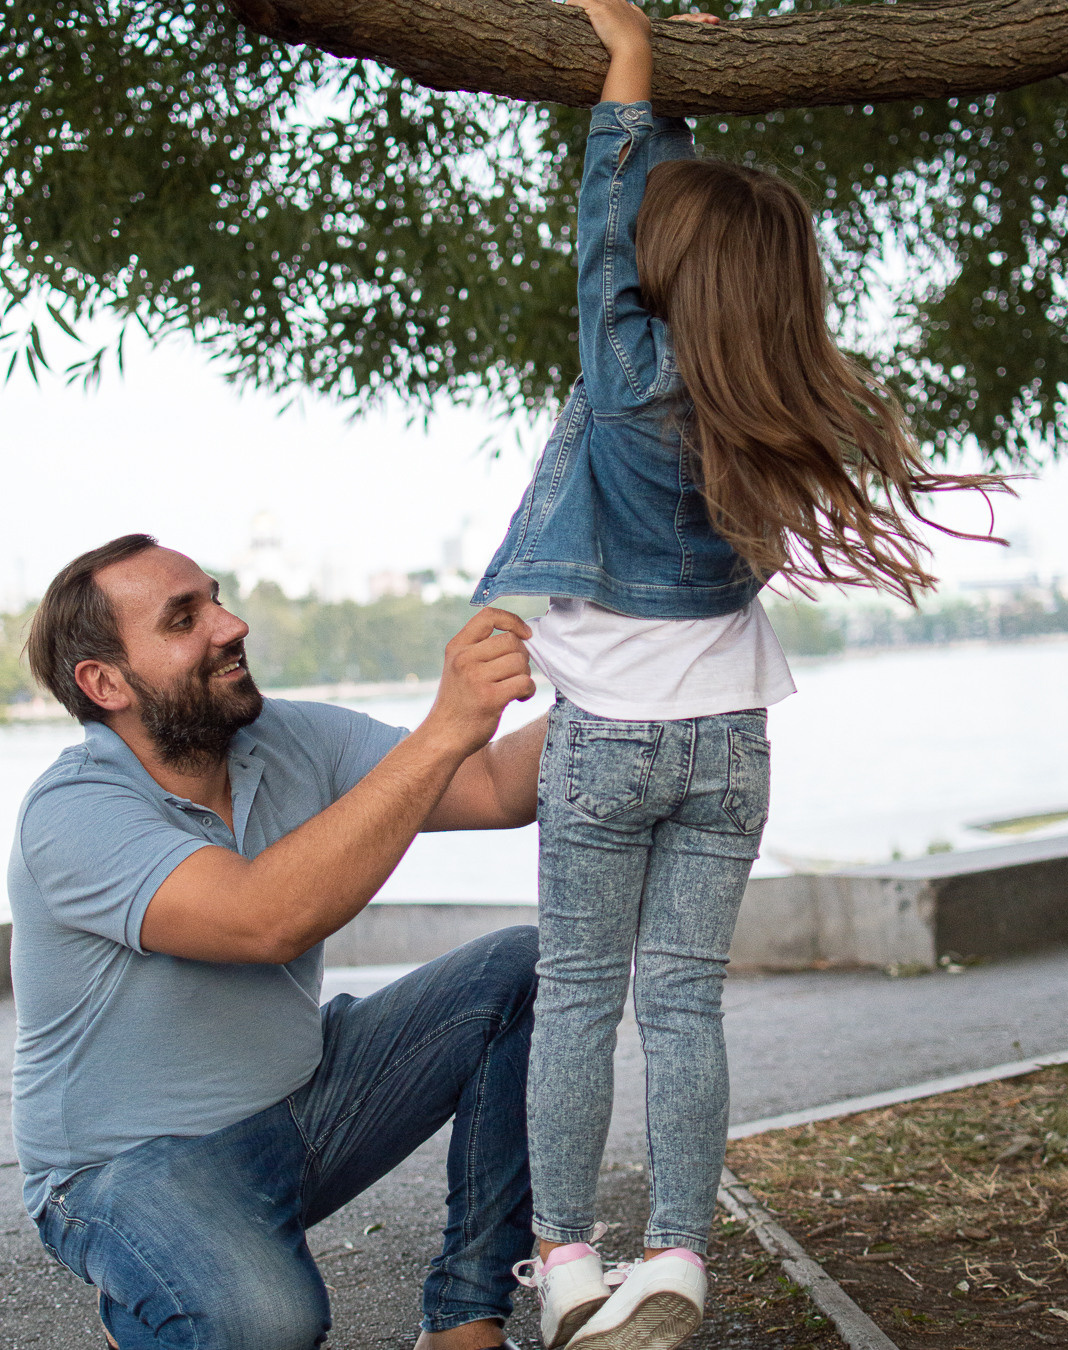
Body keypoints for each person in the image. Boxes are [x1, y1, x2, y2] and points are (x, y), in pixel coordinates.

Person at [474, 4, 1008, 1348]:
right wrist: (674, 97)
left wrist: (634, 59)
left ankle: (567, 1261)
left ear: (662, 275)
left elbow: (616, 220)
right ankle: (680, 1259)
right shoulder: (774, 385)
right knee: (686, 1005)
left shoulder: (629, 372)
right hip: (731, 747)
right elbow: (688, 234)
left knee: (582, 999)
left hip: (604, 750)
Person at [9, 533, 547, 1350]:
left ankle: (463, 1323)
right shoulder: (73, 813)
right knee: (265, 1325)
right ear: (103, 683)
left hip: (305, 1105)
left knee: (518, 968)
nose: (231, 625)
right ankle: (152, 1295)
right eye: (185, 618)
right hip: (125, 1172)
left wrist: (628, 683)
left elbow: (494, 784)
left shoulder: (290, 738)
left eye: (217, 599)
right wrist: (445, 728)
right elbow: (263, 921)